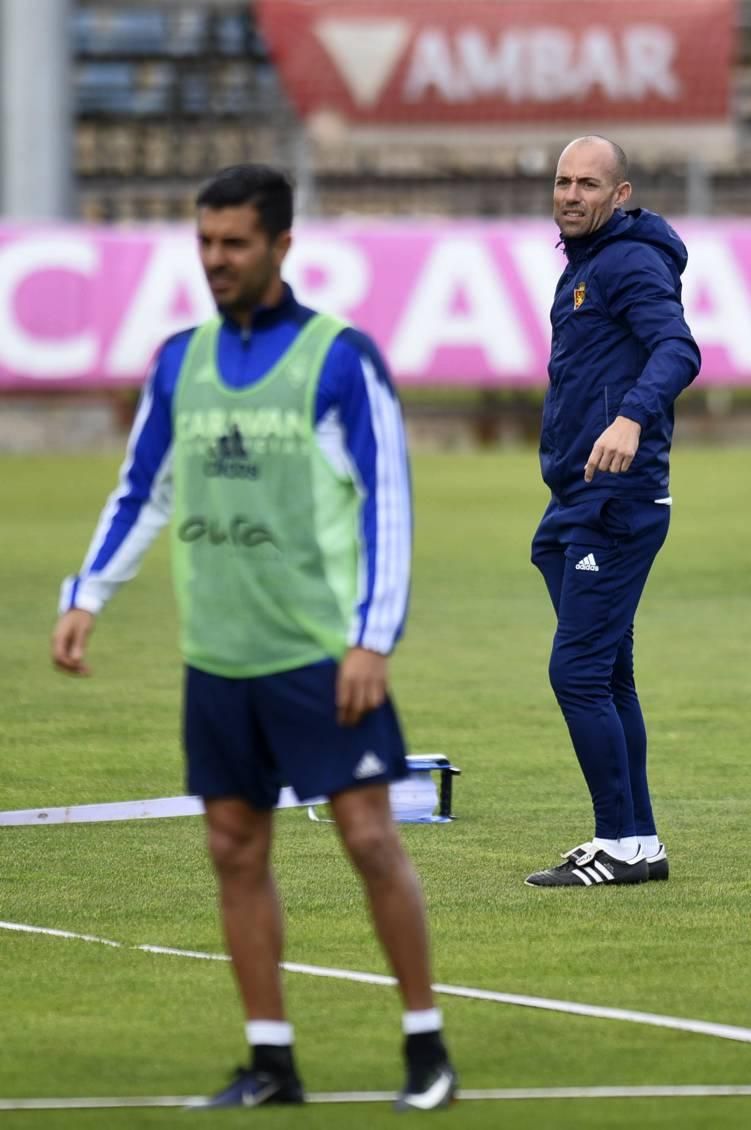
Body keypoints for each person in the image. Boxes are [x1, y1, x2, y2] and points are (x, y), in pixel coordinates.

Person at [51, 164, 457, 1110]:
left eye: (234, 242)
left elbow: (386, 505)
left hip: (321, 654)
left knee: (368, 838)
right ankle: (271, 1061)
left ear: (280, 245)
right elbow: (140, 489)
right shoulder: (177, 361)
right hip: (218, 656)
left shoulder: (339, 359)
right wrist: (88, 595)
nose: (215, 260)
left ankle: (426, 1049)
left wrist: (373, 639)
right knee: (235, 849)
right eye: (204, 242)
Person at [525, 136, 701, 889]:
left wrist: (630, 417)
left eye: (588, 183)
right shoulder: (584, 267)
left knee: (578, 674)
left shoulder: (628, 262)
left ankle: (620, 842)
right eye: (563, 181)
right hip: (576, 498)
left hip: (617, 500)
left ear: (620, 194)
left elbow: (677, 348)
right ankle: (638, 842)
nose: (570, 194)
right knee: (608, 674)